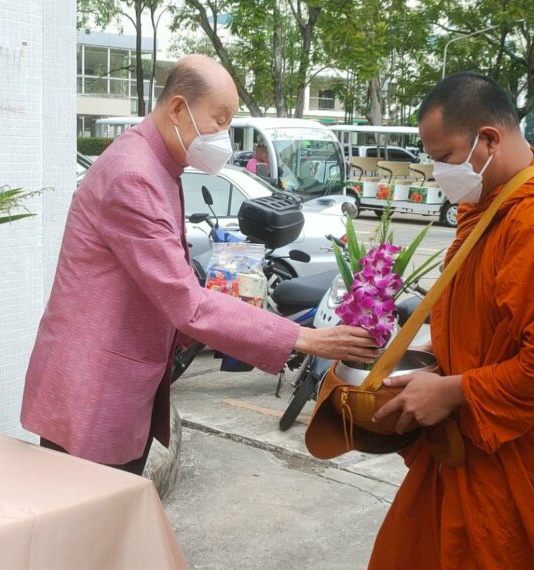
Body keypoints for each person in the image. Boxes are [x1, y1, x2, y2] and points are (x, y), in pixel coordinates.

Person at [21, 54, 378, 475]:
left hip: (109, 381)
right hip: (93, 389)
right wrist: (306, 339)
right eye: (219, 120)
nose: (223, 136)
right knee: (87, 528)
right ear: (177, 108)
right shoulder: (134, 176)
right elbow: (185, 304)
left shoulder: (155, 164)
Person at [370, 72, 534, 568]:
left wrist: (453, 391)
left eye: (444, 157)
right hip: (472, 446)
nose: (438, 172)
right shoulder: (491, 209)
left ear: (488, 139)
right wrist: (436, 373)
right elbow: (488, 332)